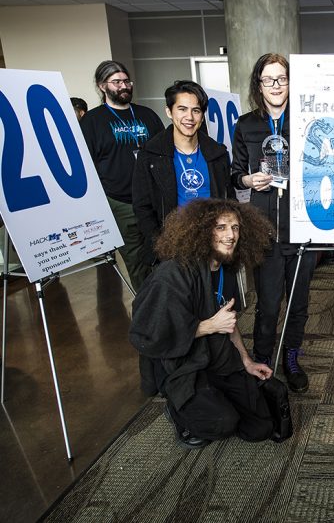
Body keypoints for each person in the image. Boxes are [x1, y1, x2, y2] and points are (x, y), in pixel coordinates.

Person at [129, 199, 275, 449]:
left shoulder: (226, 268)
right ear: (202, 231)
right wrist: (208, 326)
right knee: (222, 423)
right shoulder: (173, 274)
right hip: (181, 365)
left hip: (216, 357)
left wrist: (246, 360)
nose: (231, 235)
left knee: (260, 427)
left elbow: (229, 323)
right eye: (221, 227)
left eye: (235, 227)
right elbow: (148, 335)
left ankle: (213, 395)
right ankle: (177, 411)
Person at [231, 53, 315, 393]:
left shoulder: (308, 120)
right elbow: (236, 174)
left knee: (299, 303)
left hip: (303, 227)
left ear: (291, 82)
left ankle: (292, 358)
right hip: (263, 229)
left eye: (282, 78)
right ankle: (262, 357)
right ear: (259, 84)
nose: (276, 85)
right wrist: (248, 180)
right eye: (269, 79)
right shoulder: (246, 125)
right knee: (267, 304)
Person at [81, 60, 164, 291]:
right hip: (121, 201)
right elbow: (87, 164)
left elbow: (164, 152)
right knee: (136, 260)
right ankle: (147, 307)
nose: (124, 86)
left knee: (162, 252)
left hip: (154, 198)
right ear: (102, 86)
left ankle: (167, 302)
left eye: (126, 81)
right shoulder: (92, 121)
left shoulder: (147, 115)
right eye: (116, 82)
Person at [133, 80, 234, 269]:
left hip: (213, 244)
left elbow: (229, 200)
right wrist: (162, 244)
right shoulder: (150, 155)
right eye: (182, 109)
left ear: (202, 116)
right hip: (172, 247)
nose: (189, 117)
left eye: (196, 110)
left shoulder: (217, 154)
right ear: (169, 111)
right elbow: (142, 207)